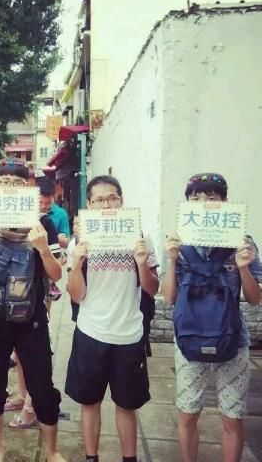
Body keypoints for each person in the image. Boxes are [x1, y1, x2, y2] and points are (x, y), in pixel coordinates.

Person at [161, 173, 262, 462]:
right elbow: (169, 297)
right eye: (196, 198)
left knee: (232, 417)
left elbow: (255, 299)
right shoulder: (178, 243)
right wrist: (171, 259)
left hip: (234, 339)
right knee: (187, 413)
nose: (204, 203)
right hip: (188, 339)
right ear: (187, 204)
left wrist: (243, 267)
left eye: (212, 197)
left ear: (225, 202)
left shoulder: (242, 242)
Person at [0, 158, 64, 462]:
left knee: (43, 388)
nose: (9, 187)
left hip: (31, 320)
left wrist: (43, 247)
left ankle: (52, 451)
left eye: (17, 182)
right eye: (3, 182)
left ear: (28, 187)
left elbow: (55, 274)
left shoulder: (43, 223)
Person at [66, 175, 159, 462]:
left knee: (127, 405)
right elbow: (76, 295)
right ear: (89, 205)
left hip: (129, 334)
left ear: (121, 201)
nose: (106, 204)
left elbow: (152, 289)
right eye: (99, 200)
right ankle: (91, 457)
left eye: (112, 198)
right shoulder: (79, 242)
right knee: (90, 402)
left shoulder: (140, 238)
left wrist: (142, 264)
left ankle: (129, 458)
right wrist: (77, 262)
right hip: (91, 333)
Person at [37, 176, 70, 249]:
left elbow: (67, 244)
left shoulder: (61, 214)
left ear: (54, 197)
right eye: (40, 202)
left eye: (47, 203)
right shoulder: (29, 211)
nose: (43, 206)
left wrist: (56, 237)